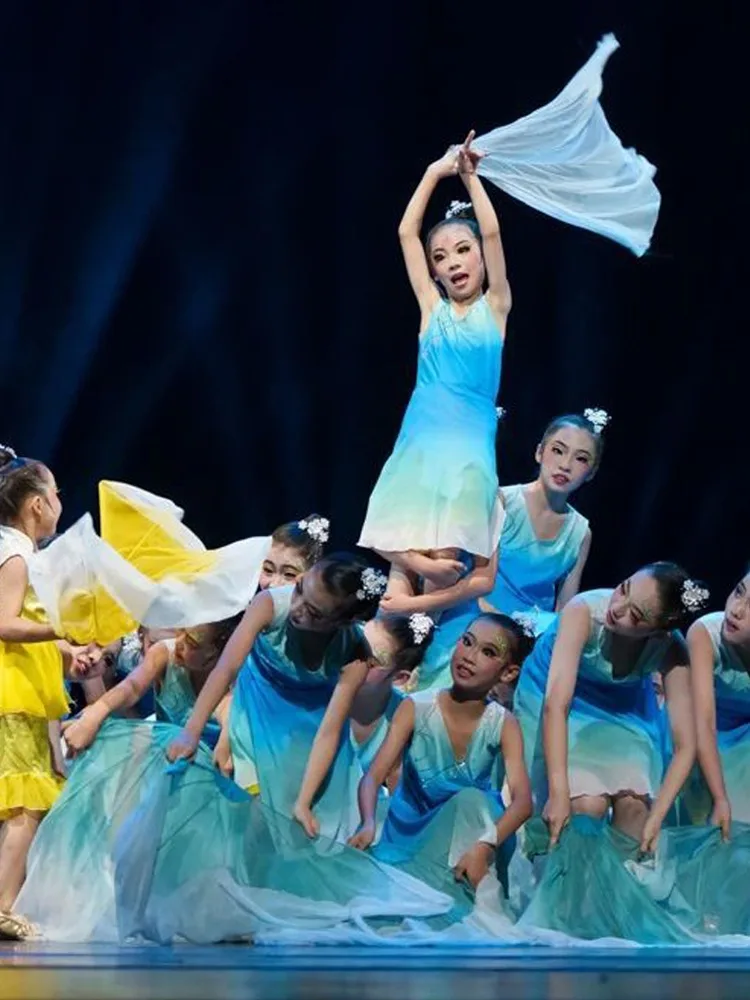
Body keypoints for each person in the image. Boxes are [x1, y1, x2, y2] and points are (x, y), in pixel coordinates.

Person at [358, 131, 510, 585]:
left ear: (481, 258)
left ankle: (427, 595)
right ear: (436, 273)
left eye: (463, 250)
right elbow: (407, 232)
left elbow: (493, 230)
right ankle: (413, 577)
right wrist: (432, 173)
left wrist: (470, 179)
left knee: (451, 545)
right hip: (424, 428)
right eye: (440, 257)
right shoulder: (431, 309)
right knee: (402, 530)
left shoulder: (496, 308)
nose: (453, 262)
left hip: (469, 437)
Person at [165, 554, 387, 842]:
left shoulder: (354, 652)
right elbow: (226, 668)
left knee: (301, 829)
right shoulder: (269, 605)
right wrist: (191, 731)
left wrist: (304, 802)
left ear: (344, 621)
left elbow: (329, 732)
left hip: (305, 729)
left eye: (314, 613)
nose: (297, 609)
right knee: (249, 818)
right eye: (299, 590)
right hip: (256, 711)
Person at [349, 613, 533, 915]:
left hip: (476, 835)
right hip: (413, 831)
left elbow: (523, 802)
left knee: (472, 800)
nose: (469, 657)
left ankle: (471, 895)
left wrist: (486, 845)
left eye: (488, 652)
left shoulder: (502, 723)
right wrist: (369, 821)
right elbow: (373, 777)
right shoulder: (417, 707)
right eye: (467, 642)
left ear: (508, 673)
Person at [517, 563, 706, 857]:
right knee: (585, 807)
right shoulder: (583, 612)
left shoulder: (672, 648)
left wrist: (657, 818)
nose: (617, 608)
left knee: (635, 811)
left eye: (636, 615)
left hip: (621, 709)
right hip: (553, 694)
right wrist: (558, 793)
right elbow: (556, 704)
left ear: (658, 632)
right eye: (624, 588)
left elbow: (686, 745)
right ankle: (568, 884)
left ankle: (608, 891)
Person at [0, 446, 99, 938]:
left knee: (23, 797)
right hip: (12, 690)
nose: (60, 501)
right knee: (24, 801)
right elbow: (6, 624)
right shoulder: (16, 552)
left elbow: (30, 624)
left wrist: (65, 649)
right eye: (56, 493)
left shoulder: (15, 548)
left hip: (26, 684)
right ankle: (3, 905)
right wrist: (61, 626)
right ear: (37, 504)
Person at [293, 611, 435, 838]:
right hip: (303, 799)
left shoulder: (403, 716)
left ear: (399, 678)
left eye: (370, 660)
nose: (352, 660)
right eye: (353, 646)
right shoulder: (321, 688)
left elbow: (397, 789)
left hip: (356, 821)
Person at [214, 514, 330, 785]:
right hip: (249, 731)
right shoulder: (257, 613)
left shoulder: (329, 630)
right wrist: (226, 736)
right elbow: (233, 678)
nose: (272, 583)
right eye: (267, 569)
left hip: (300, 740)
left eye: (288, 574)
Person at [483, 411, 604, 630]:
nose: (565, 465)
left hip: (534, 633)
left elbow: (565, 610)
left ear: (591, 472)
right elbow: (471, 582)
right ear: (539, 452)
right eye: (558, 451)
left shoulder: (580, 532)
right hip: (479, 618)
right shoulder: (504, 502)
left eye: (581, 458)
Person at [60, 619, 241, 756]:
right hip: (161, 757)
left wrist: (226, 741)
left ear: (218, 653)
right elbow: (132, 687)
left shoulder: (234, 685)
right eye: (180, 630)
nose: (179, 642)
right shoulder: (164, 653)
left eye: (192, 643)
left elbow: (227, 714)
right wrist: (94, 716)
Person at [685, 569, 750, 835]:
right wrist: (720, 797)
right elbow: (704, 723)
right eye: (739, 592)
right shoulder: (705, 634)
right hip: (697, 731)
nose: (736, 610)